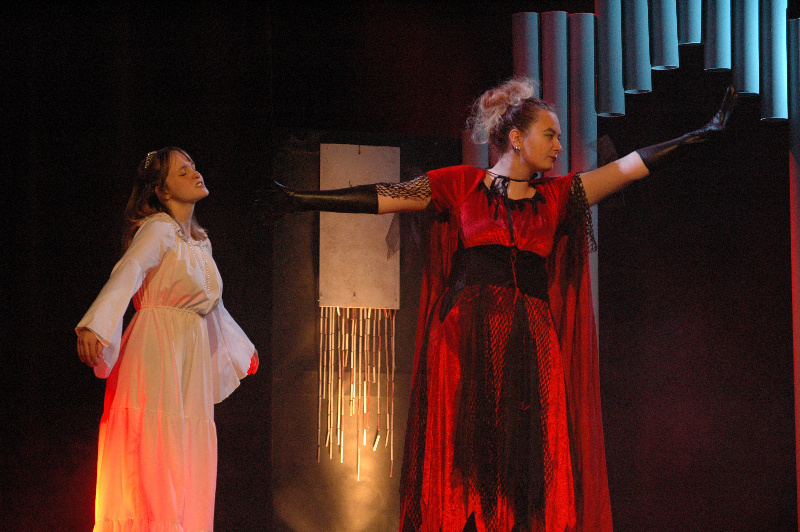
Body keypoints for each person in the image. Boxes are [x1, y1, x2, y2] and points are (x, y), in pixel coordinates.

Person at [269, 79, 737, 532]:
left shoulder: (557, 196)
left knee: (526, 468)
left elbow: (630, 167)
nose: (558, 147)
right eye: (549, 135)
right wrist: (301, 199)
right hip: (464, 343)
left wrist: (701, 134)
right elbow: (386, 196)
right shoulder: (461, 184)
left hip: (531, 347)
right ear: (516, 138)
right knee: (465, 462)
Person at [76, 147, 259, 531]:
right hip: (156, 350)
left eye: (193, 167)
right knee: (155, 450)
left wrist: (240, 349)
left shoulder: (200, 242)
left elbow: (210, 306)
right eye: (182, 172)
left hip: (188, 357)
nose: (195, 174)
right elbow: (129, 269)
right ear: (161, 191)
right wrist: (96, 324)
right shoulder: (159, 228)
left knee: (185, 452)